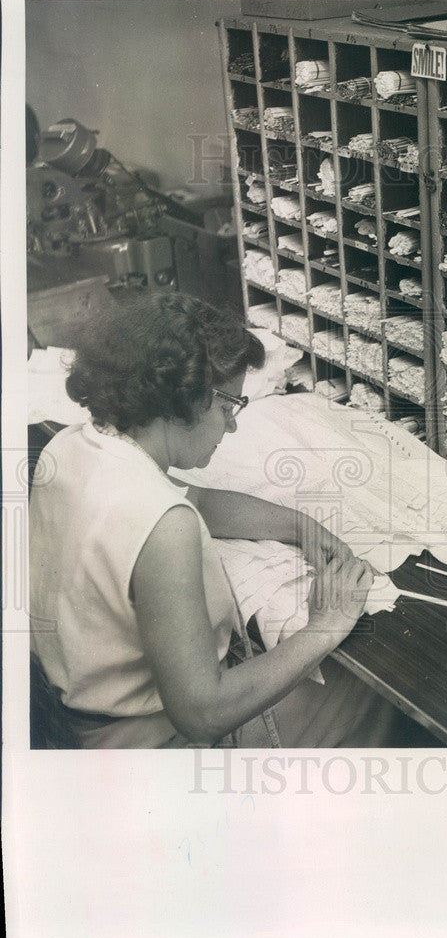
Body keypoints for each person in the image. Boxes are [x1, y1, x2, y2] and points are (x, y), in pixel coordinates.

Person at [29, 292, 415, 748]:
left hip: (70, 712)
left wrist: (301, 527)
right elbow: (203, 715)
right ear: (187, 402)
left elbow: (198, 501)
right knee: (371, 700)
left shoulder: (70, 447)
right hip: (146, 747)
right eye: (229, 408)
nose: (231, 427)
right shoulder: (164, 526)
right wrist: (325, 625)